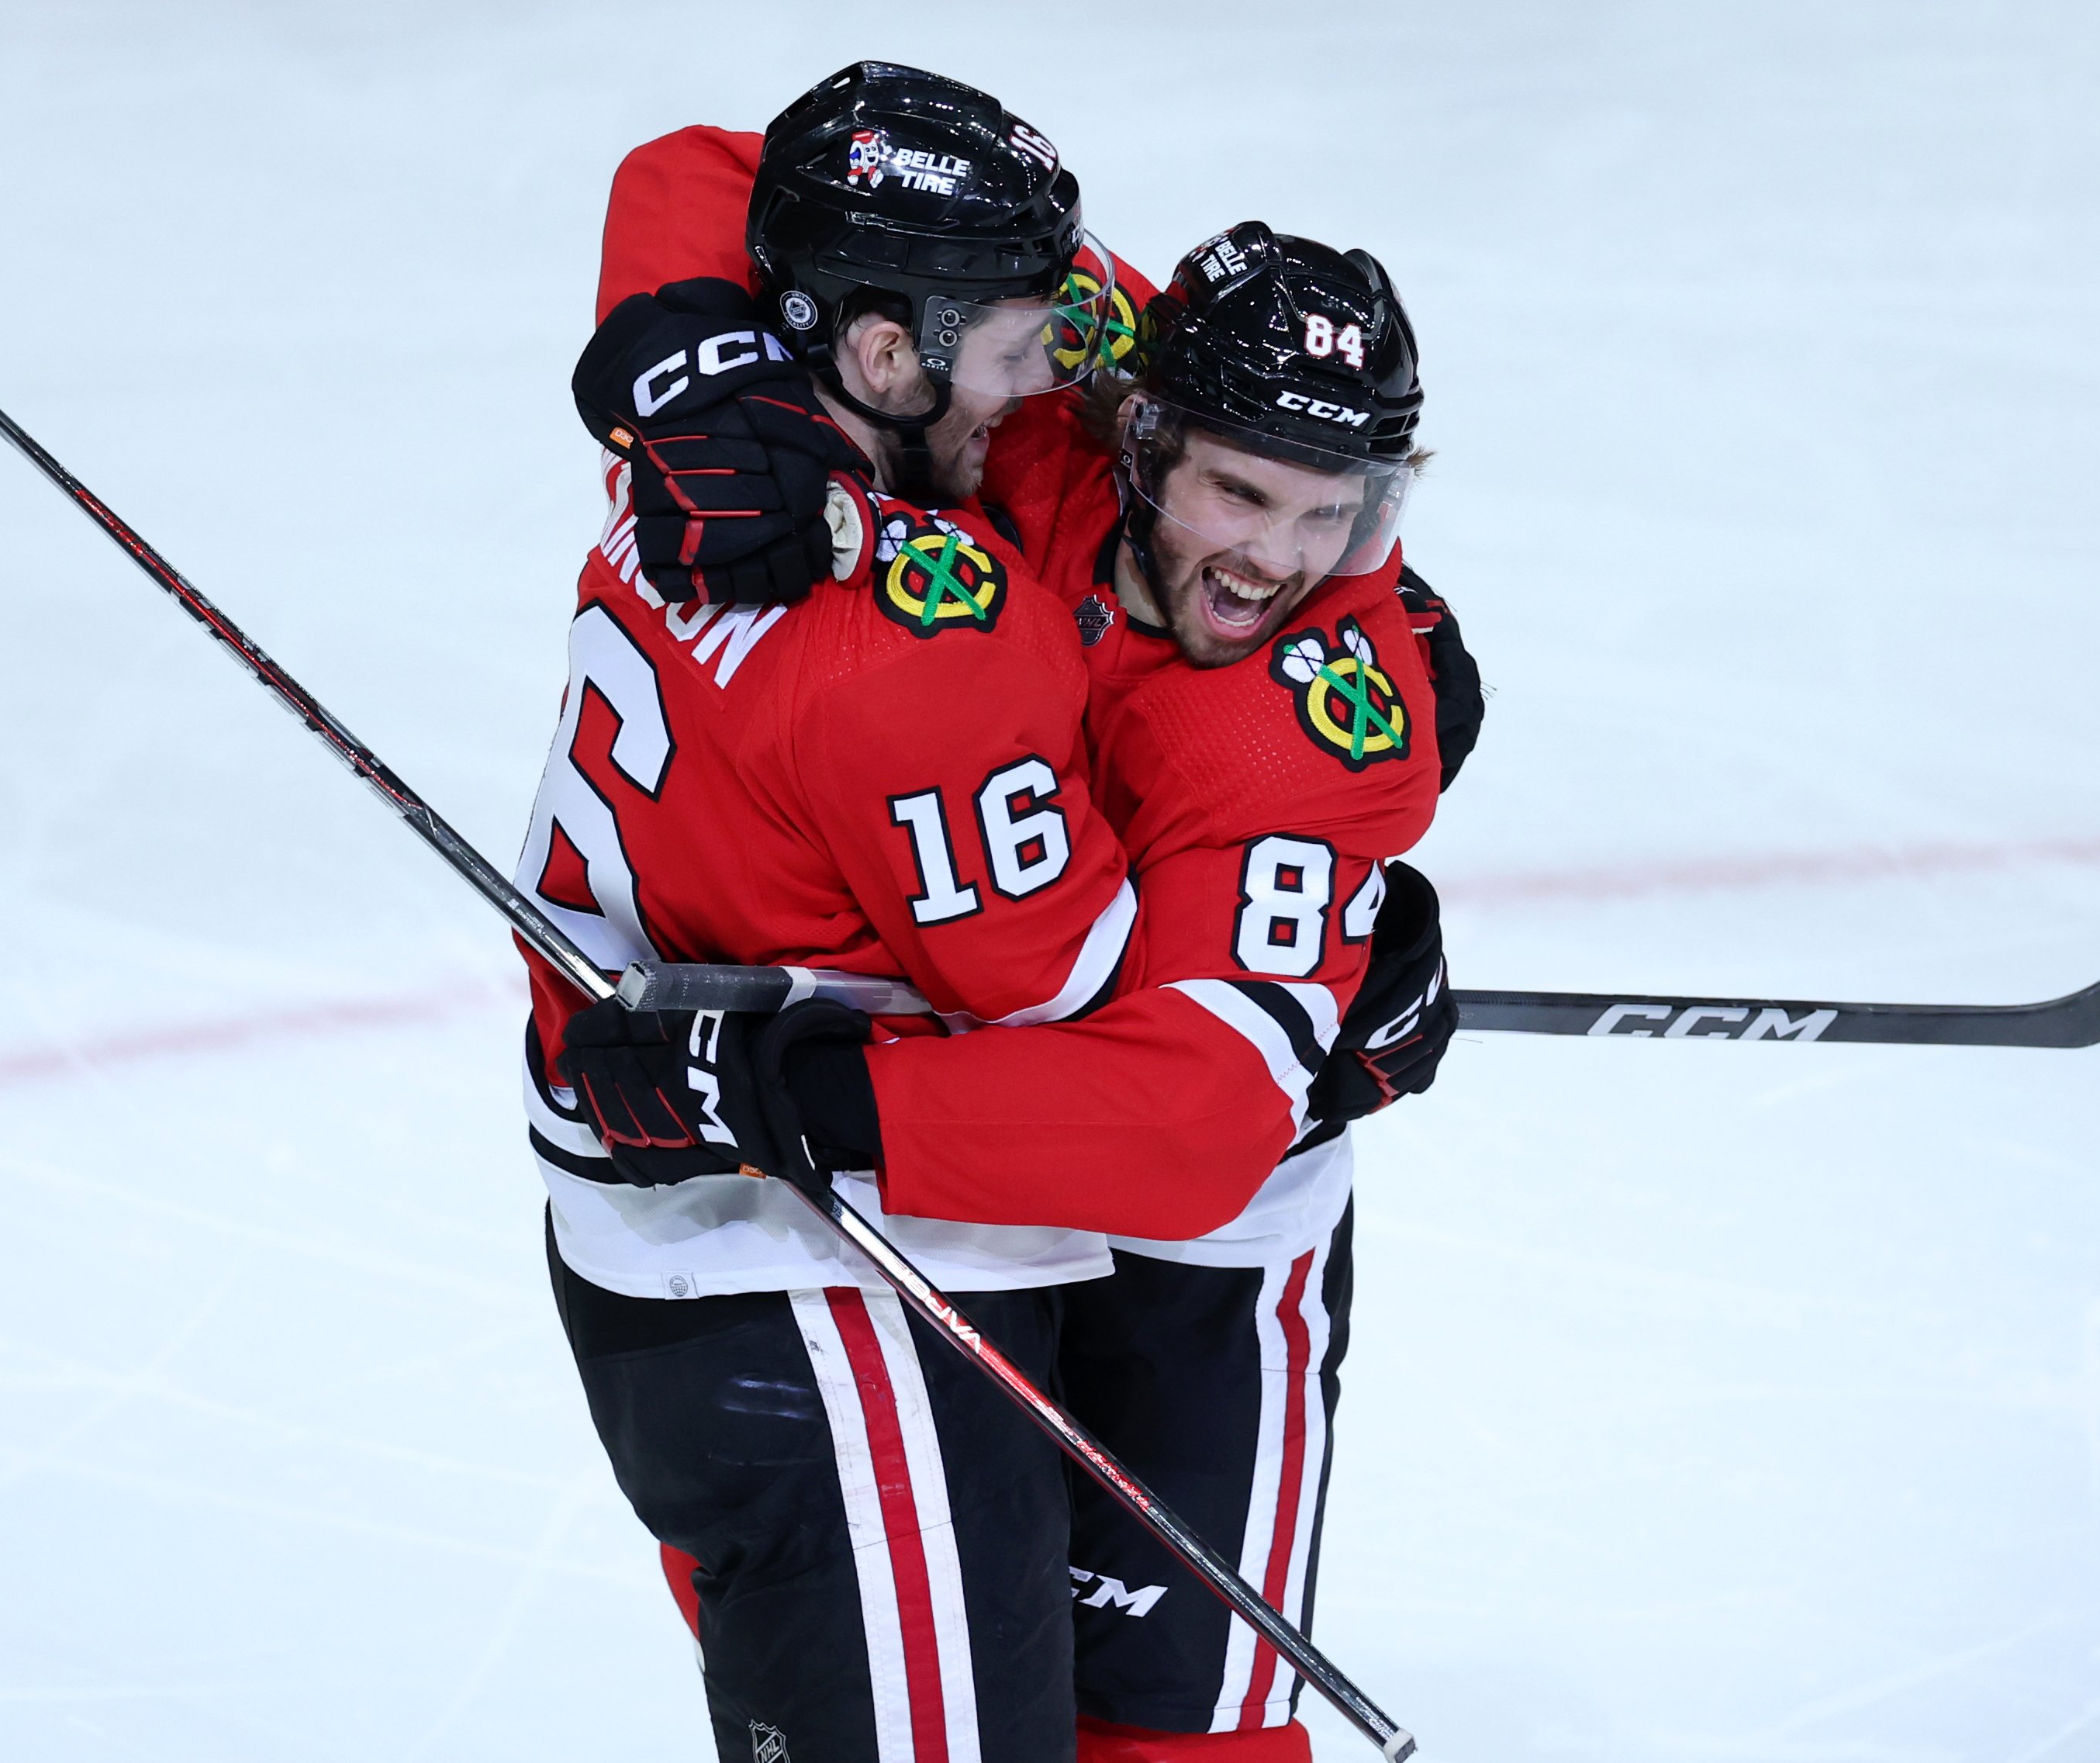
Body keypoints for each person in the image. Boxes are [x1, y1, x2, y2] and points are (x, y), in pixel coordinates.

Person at [561, 80, 1482, 1758]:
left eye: (1335, 512)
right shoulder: (1063, 385)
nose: (1280, 562)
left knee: (1173, 1732)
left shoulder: (1316, 721)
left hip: (1188, 1245)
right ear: (1135, 427)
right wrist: (697, 359)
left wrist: (795, 1098)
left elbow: (1187, 1123)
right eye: (1237, 495)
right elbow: (738, 179)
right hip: (965, 1201)